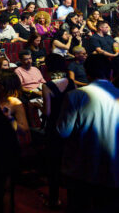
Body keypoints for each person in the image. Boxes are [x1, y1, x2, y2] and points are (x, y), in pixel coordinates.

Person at [57, 54, 119, 213]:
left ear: (86, 72)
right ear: (111, 73)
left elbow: (63, 132)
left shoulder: (75, 96)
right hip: (115, 168)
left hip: (80, 169)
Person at [0, 69, 30, 213]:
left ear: (2, 85)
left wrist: (10, 119)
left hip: (8, 147)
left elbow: (24, 129)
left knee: (6, 186)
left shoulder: (15, 102)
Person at [42, 54, 75, 209]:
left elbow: (47, 112)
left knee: (54, 164)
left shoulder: (47, 86)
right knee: (70, 161)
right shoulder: (71, 82)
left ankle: (54, 199)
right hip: (69, 123)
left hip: (54, 126)